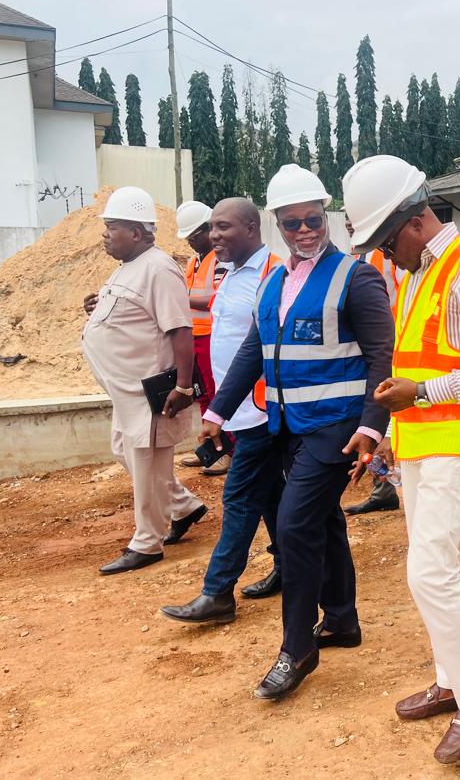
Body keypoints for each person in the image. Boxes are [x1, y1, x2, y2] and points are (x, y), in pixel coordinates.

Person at [343, 154, 460, 764]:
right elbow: (417, 363)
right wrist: (393, 430)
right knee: (426, 566)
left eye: (383, 241)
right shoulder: (422, 271)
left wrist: (422, 395)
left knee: (429, 570)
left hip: (458, 444)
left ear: (413, 222)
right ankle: (451, 680)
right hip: (422, 443)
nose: (382, 254)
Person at [199, 164, 394, 701]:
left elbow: (383, 355)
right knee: (322, 522)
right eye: (291, 223)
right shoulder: (273, 282)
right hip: (287, 426)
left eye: (312, 220)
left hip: (336, 429)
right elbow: (254, 352)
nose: (304, 230)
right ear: (277, 225)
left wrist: (372, 427)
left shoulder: (356, 275)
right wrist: (218, 410)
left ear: (325, 216)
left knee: (293, 527)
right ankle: (341, 619)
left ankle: (297, 647)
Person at [160, 198, 285, 624]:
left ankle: (218, 593)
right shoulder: (229, 274)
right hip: (235, 410)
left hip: (262, 411)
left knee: (239, 497)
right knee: (269, 496)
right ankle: (287, 566)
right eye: (211, 228)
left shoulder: (274, 275)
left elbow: (264, 348)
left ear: (252, 228)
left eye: (223, 228)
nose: (214, 236)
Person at [82, 187, 209, 575]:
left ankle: (147, 542)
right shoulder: (128, 266)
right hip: (127, 394)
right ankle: (183, 506)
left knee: (146, 460)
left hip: (150, 391)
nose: (105, 234)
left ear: (136, 232)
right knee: (128, 454)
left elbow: (179, 330)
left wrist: (183, 387)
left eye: (112, 227)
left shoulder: (158, 267)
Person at [345, 239, 405, 516]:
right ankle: (384, 488)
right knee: (369, 425)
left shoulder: (393, 253)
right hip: (365, 348)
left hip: (392, 347)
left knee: (384, 422)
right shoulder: (355, 256)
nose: (349, 224)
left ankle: (388, 483)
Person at [177, 200, 230, 474]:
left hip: (214, 336)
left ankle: (225, 451)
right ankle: (209, 450)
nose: (189, 242)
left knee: (218, 394)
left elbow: (218, 298)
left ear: (207, 229)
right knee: (204, 396)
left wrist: (182, 298)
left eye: (193, 236)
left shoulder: (223, 260)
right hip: (195, 336)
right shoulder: (193, 262)